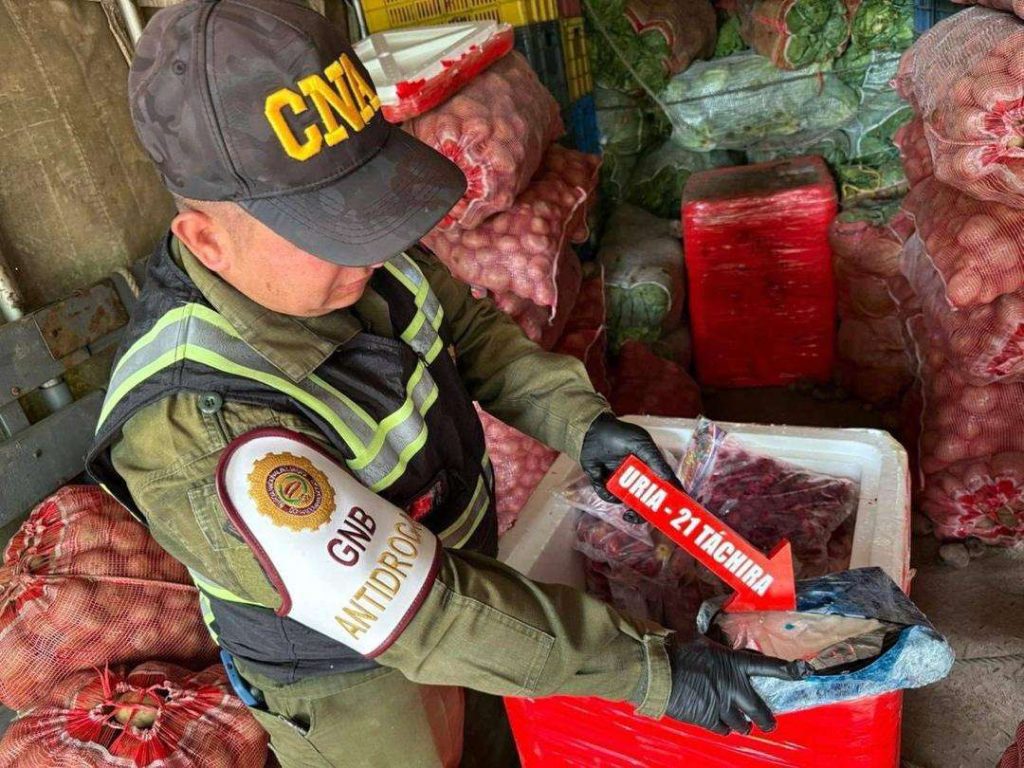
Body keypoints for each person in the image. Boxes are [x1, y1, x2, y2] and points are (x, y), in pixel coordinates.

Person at [86, 1, 805, 766]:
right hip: (354, 680)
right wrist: (650, 671)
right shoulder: (201, 427)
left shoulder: (361, 260)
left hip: (473, 592)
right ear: (207, 241)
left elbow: (468, 330)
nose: (367, 253)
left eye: (363, 205)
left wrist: (581, 423)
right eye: (330, 229)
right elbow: (423, 615)